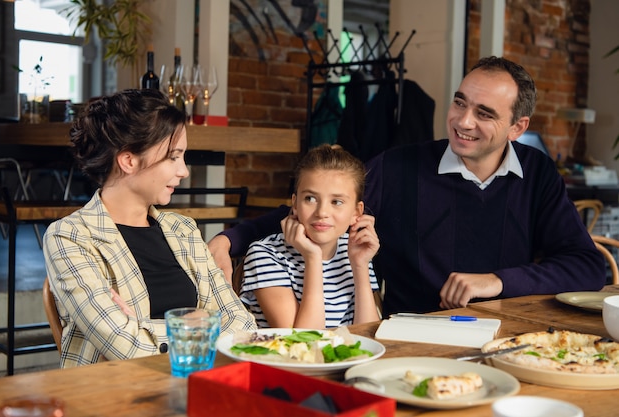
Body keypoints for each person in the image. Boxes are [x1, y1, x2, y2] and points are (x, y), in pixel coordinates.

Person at [208, 56, 606, 317]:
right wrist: (231, 240)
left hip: (506, 336)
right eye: (460, 103)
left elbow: (587, 267)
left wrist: (497, 281)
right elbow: (321, 208)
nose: (463, 121)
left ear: (518, 128)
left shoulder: (536, 173)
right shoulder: (398, 166)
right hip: (411, 336)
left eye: (484, 113)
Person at [43, 88, 256, 368]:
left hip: (194, 384)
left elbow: (243, 323)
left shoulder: (184, 230)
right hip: (113, 398)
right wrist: (196, 324)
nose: (184, 171)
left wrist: (140, 325)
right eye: (173, 157)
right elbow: (127, 347)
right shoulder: (70, 237)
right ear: (128, 160)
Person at [240, 144, 381, 329]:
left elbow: (367, 336)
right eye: (310, 199)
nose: (322, 212)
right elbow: (303, 343)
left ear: (356, 212)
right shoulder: (265, 255)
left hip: (347, 358)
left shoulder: (355, 249)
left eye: (336, 202)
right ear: (295, 204)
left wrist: (360, 265)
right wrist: (313, 258)